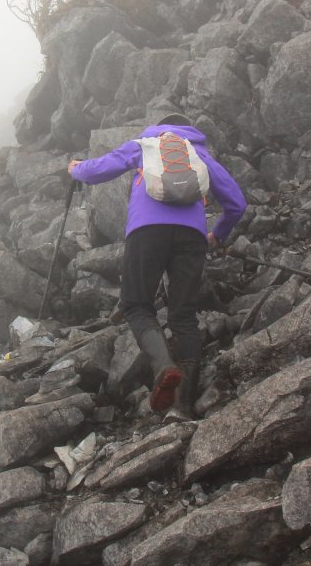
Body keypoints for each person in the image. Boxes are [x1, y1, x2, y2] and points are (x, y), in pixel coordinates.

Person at [68, 112, 247, 419]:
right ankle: (181, 405)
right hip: (192, 236)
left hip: (147, 231)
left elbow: (101, 169)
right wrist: (217, 235)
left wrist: (75, 169)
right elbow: (237, 203)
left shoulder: (146, 144)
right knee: (184, 316)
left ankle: (164, 367)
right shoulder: (198, 152)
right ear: (187, 128)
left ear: (160, 126)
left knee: (137, 306)